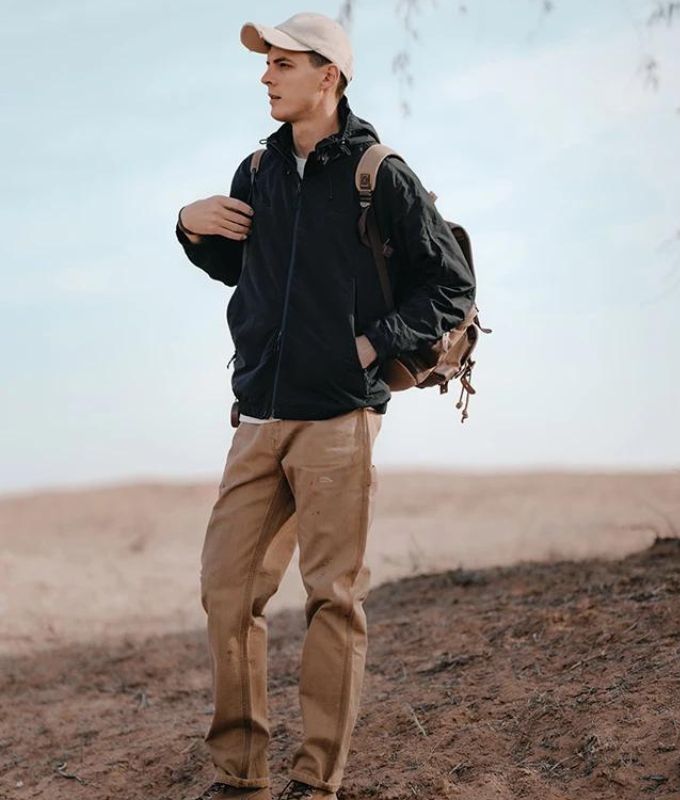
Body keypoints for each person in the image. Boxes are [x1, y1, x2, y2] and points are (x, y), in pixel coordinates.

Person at [175, 11, 476, 800]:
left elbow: (448, 286)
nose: (266, 76)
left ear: (328, 77)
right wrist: (190, 227)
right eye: (266, 63)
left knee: (332, 599)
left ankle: (316, 781)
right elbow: (245, 273)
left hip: (341, 417)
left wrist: (372, 347)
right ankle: (242, 776)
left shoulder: (381, 173)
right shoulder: (258, 170)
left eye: (282, 63)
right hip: (259, 417)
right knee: (227, 591)